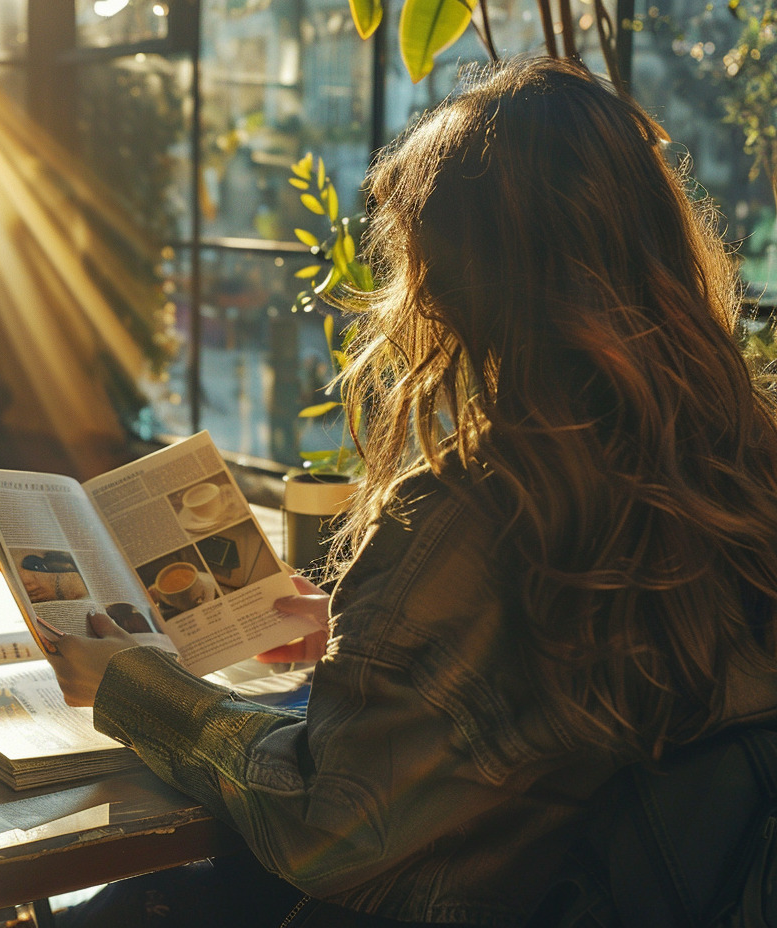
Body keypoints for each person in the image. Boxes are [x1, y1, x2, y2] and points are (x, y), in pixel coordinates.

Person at [45, 56, 777, 927]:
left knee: (113, 912)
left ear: (464, 278)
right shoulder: (741, 463)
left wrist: (135, 680)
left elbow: (327, 825)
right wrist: (384, 643)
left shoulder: (479, 509)